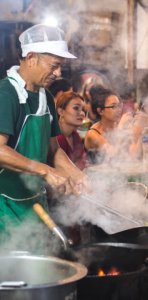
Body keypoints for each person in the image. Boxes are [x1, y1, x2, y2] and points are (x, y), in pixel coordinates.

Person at [0, 24, 90, 247]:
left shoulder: (46, 98)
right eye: (54, 66)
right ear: (31, 58)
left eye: (61, 67)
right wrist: (46, 171)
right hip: (5, 207)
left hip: (36, 204)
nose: (58, 73)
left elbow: (53, 150)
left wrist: (75, 173)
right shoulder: (6, 94)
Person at [84, 85, 132, 165]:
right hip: (96, 176)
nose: (119, 110)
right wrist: (120, 129)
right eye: (113, 106)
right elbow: (116, 158)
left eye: (119, 105)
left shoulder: (117, 127)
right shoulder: (92, 134)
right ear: (100, 111)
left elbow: (131, 156)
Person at [56, 91, 87, 170]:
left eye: (83, 109)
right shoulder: (55, 137)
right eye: (76, 108)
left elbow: (82, 164)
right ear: (60, 111)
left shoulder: (75, 135)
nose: (82, 113)